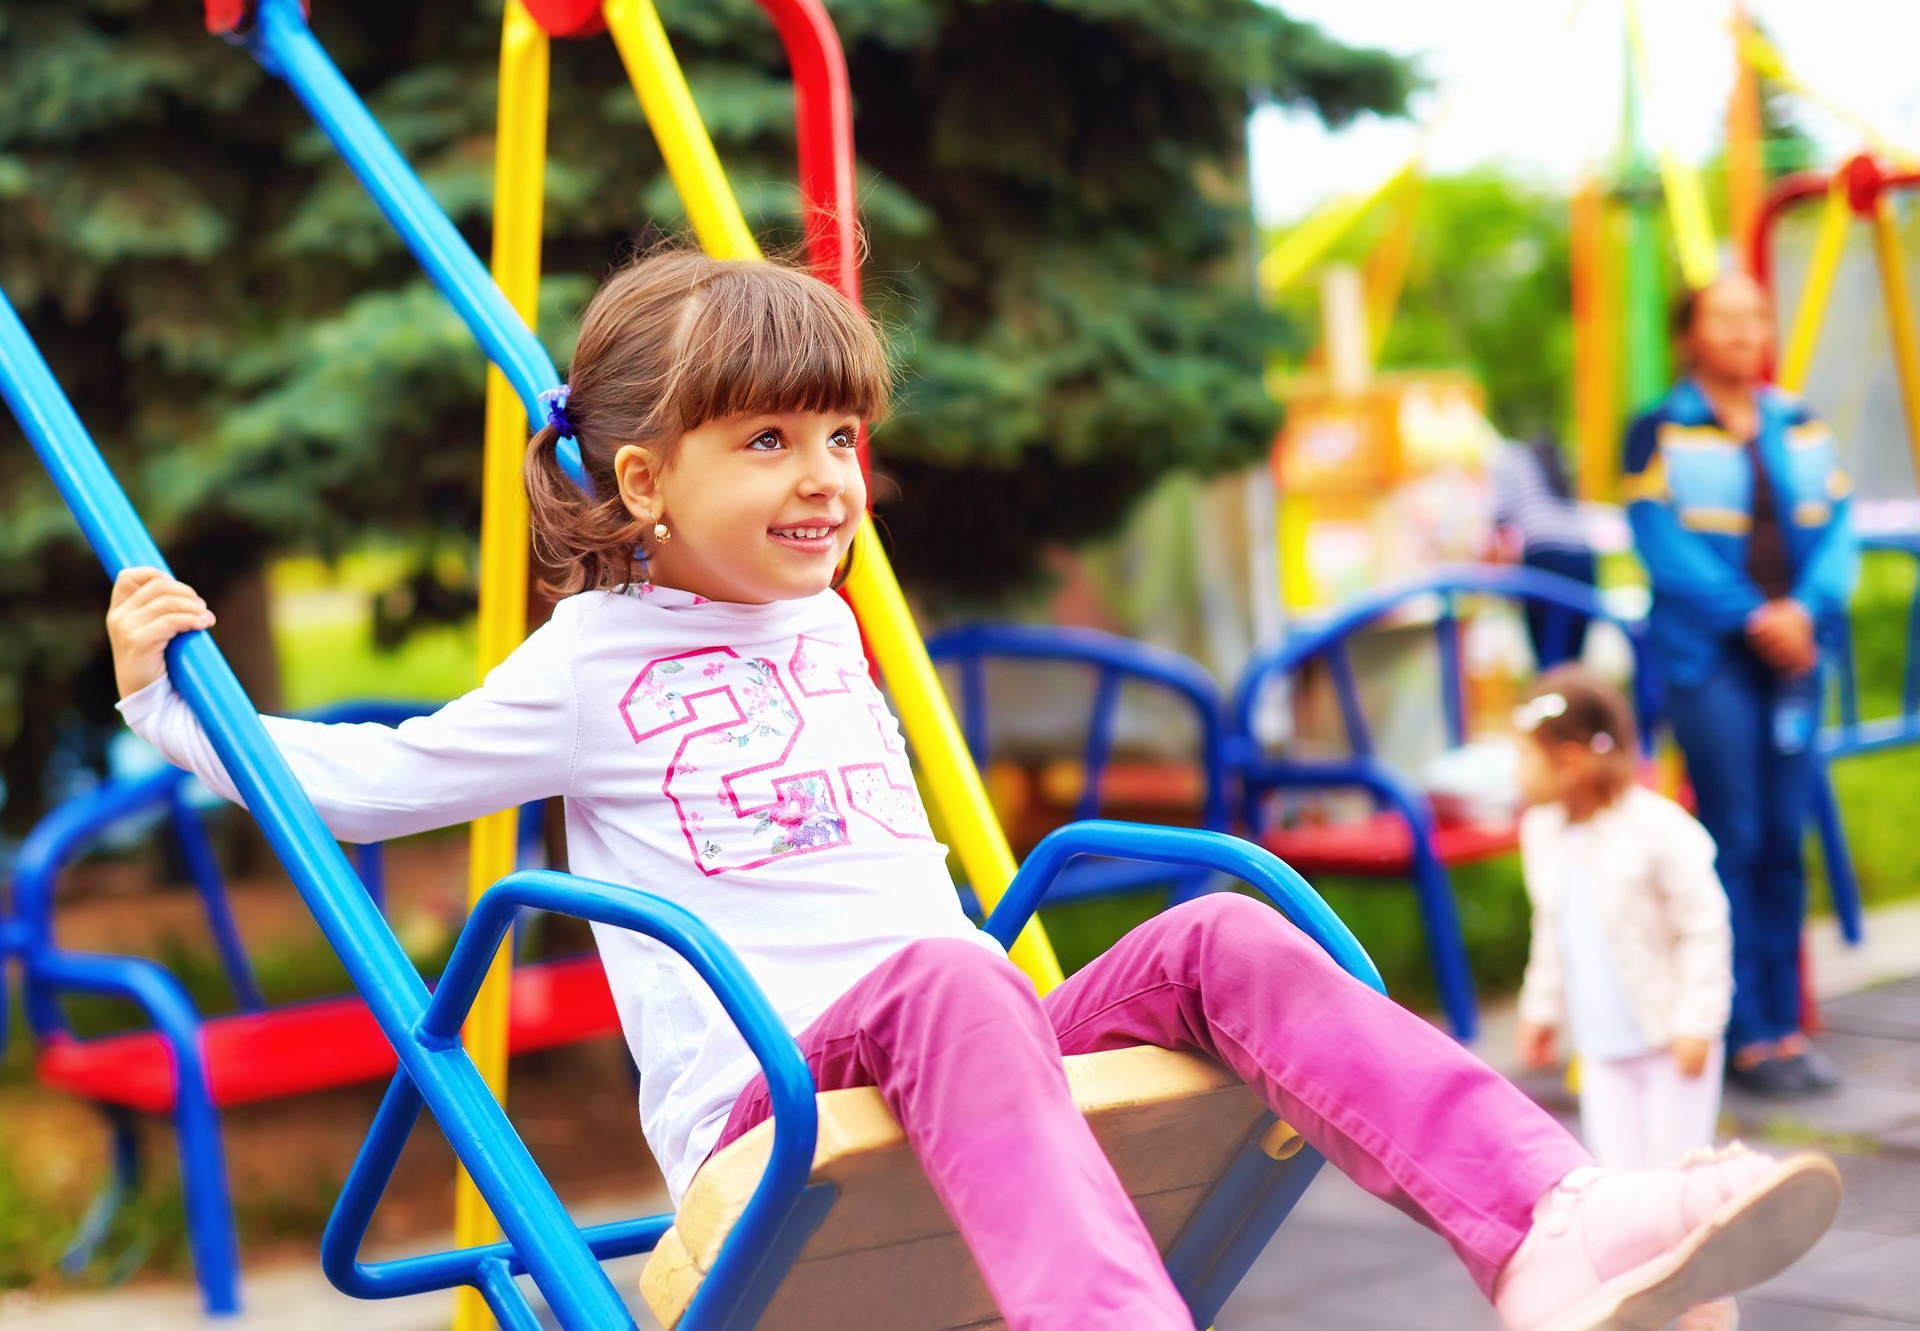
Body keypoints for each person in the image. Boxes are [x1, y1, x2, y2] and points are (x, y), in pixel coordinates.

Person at [107, 251, 1839, 1331]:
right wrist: (173, 703)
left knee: (1227, 937)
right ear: (642, 482)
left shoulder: (827, 624)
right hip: (772, 1094)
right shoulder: (590, 664)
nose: (824, 479)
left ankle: (1549, 1226)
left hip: (960, 1029)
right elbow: (371, 781)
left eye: (838, 438)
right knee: (949, 972)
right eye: (766, 441)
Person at [1623, 272, 1859, 1097]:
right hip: (1711, 659)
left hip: (1793, 655)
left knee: (1785, 842)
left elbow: (1839, 527)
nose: (1742, 329)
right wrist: (1758, 616)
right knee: (1736, 835)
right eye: (1723, 317)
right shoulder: (1657, 428)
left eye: (1755, 315)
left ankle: (1784, 1024)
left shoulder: (1798, 420)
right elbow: (1662, 544)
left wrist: (1805, 610)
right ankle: (1739, 1030)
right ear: (1689, 333)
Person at [1514, 668, 1737, 1331]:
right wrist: (1541, 1007)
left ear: (1570, 760)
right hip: (1604, 1048)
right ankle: (1643, 1311)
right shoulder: (1543, 831)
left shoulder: (1659, 830)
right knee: (1617, 1191)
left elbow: (1704, 925)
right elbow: (1551, 926)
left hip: (1669, 1043)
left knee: (1676, 1190)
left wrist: (1699, 1020)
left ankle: (1705, 1310)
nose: (1516, 775)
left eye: (1525, 758)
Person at [1491, 432, 1599, 666]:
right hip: (1584, 558)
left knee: (1547, 659)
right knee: (1572, 658)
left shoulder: (1507, 456)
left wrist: (1504, 578)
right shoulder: (1553, 459)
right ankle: (1571, 687)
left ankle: (1553, 684)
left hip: (1547, 556)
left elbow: (1502, 519)